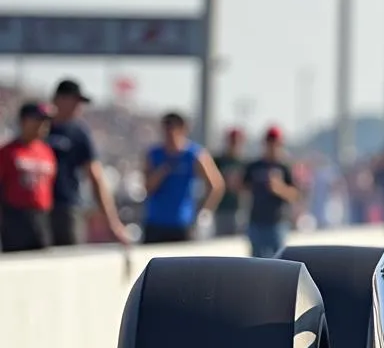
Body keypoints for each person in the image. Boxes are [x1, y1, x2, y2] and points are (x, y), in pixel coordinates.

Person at [47, 79, 130, 245]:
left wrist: (112, 222)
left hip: (66, 207)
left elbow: (95, 176)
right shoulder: (40, 126)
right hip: (35, 210)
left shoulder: (78, 133)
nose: (79, 108)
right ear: (59, 99)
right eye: (75, 102)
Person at [142, 112, 224, 244]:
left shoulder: (194, 154)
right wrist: (163, 171)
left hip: (182, 222)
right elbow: (147, 187)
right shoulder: (154, 154)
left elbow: (216, 185)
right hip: (155, 221)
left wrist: (205, 211)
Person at [0, 102, 58, 252]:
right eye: (38, 120)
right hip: (15, 218)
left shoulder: (47, 153)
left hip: (42, 218)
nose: (43, 125)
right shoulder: (8, 151)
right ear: (24, 121)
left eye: (46, 121)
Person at [243, 125, 301, 257]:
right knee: (256, 262)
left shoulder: (285, 167)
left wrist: (279, 189)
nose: (272, 146)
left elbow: (296, 195)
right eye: (270, 142)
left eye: (275, 143)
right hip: (256, 222)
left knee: (278, 260)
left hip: (277, 223)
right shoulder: (254, 166)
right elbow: (243, 187)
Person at [213, 126, 246, 236]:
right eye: (232, 141)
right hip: (220, 209)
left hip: (238, 208)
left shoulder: (243, 163)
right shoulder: (218, 161)